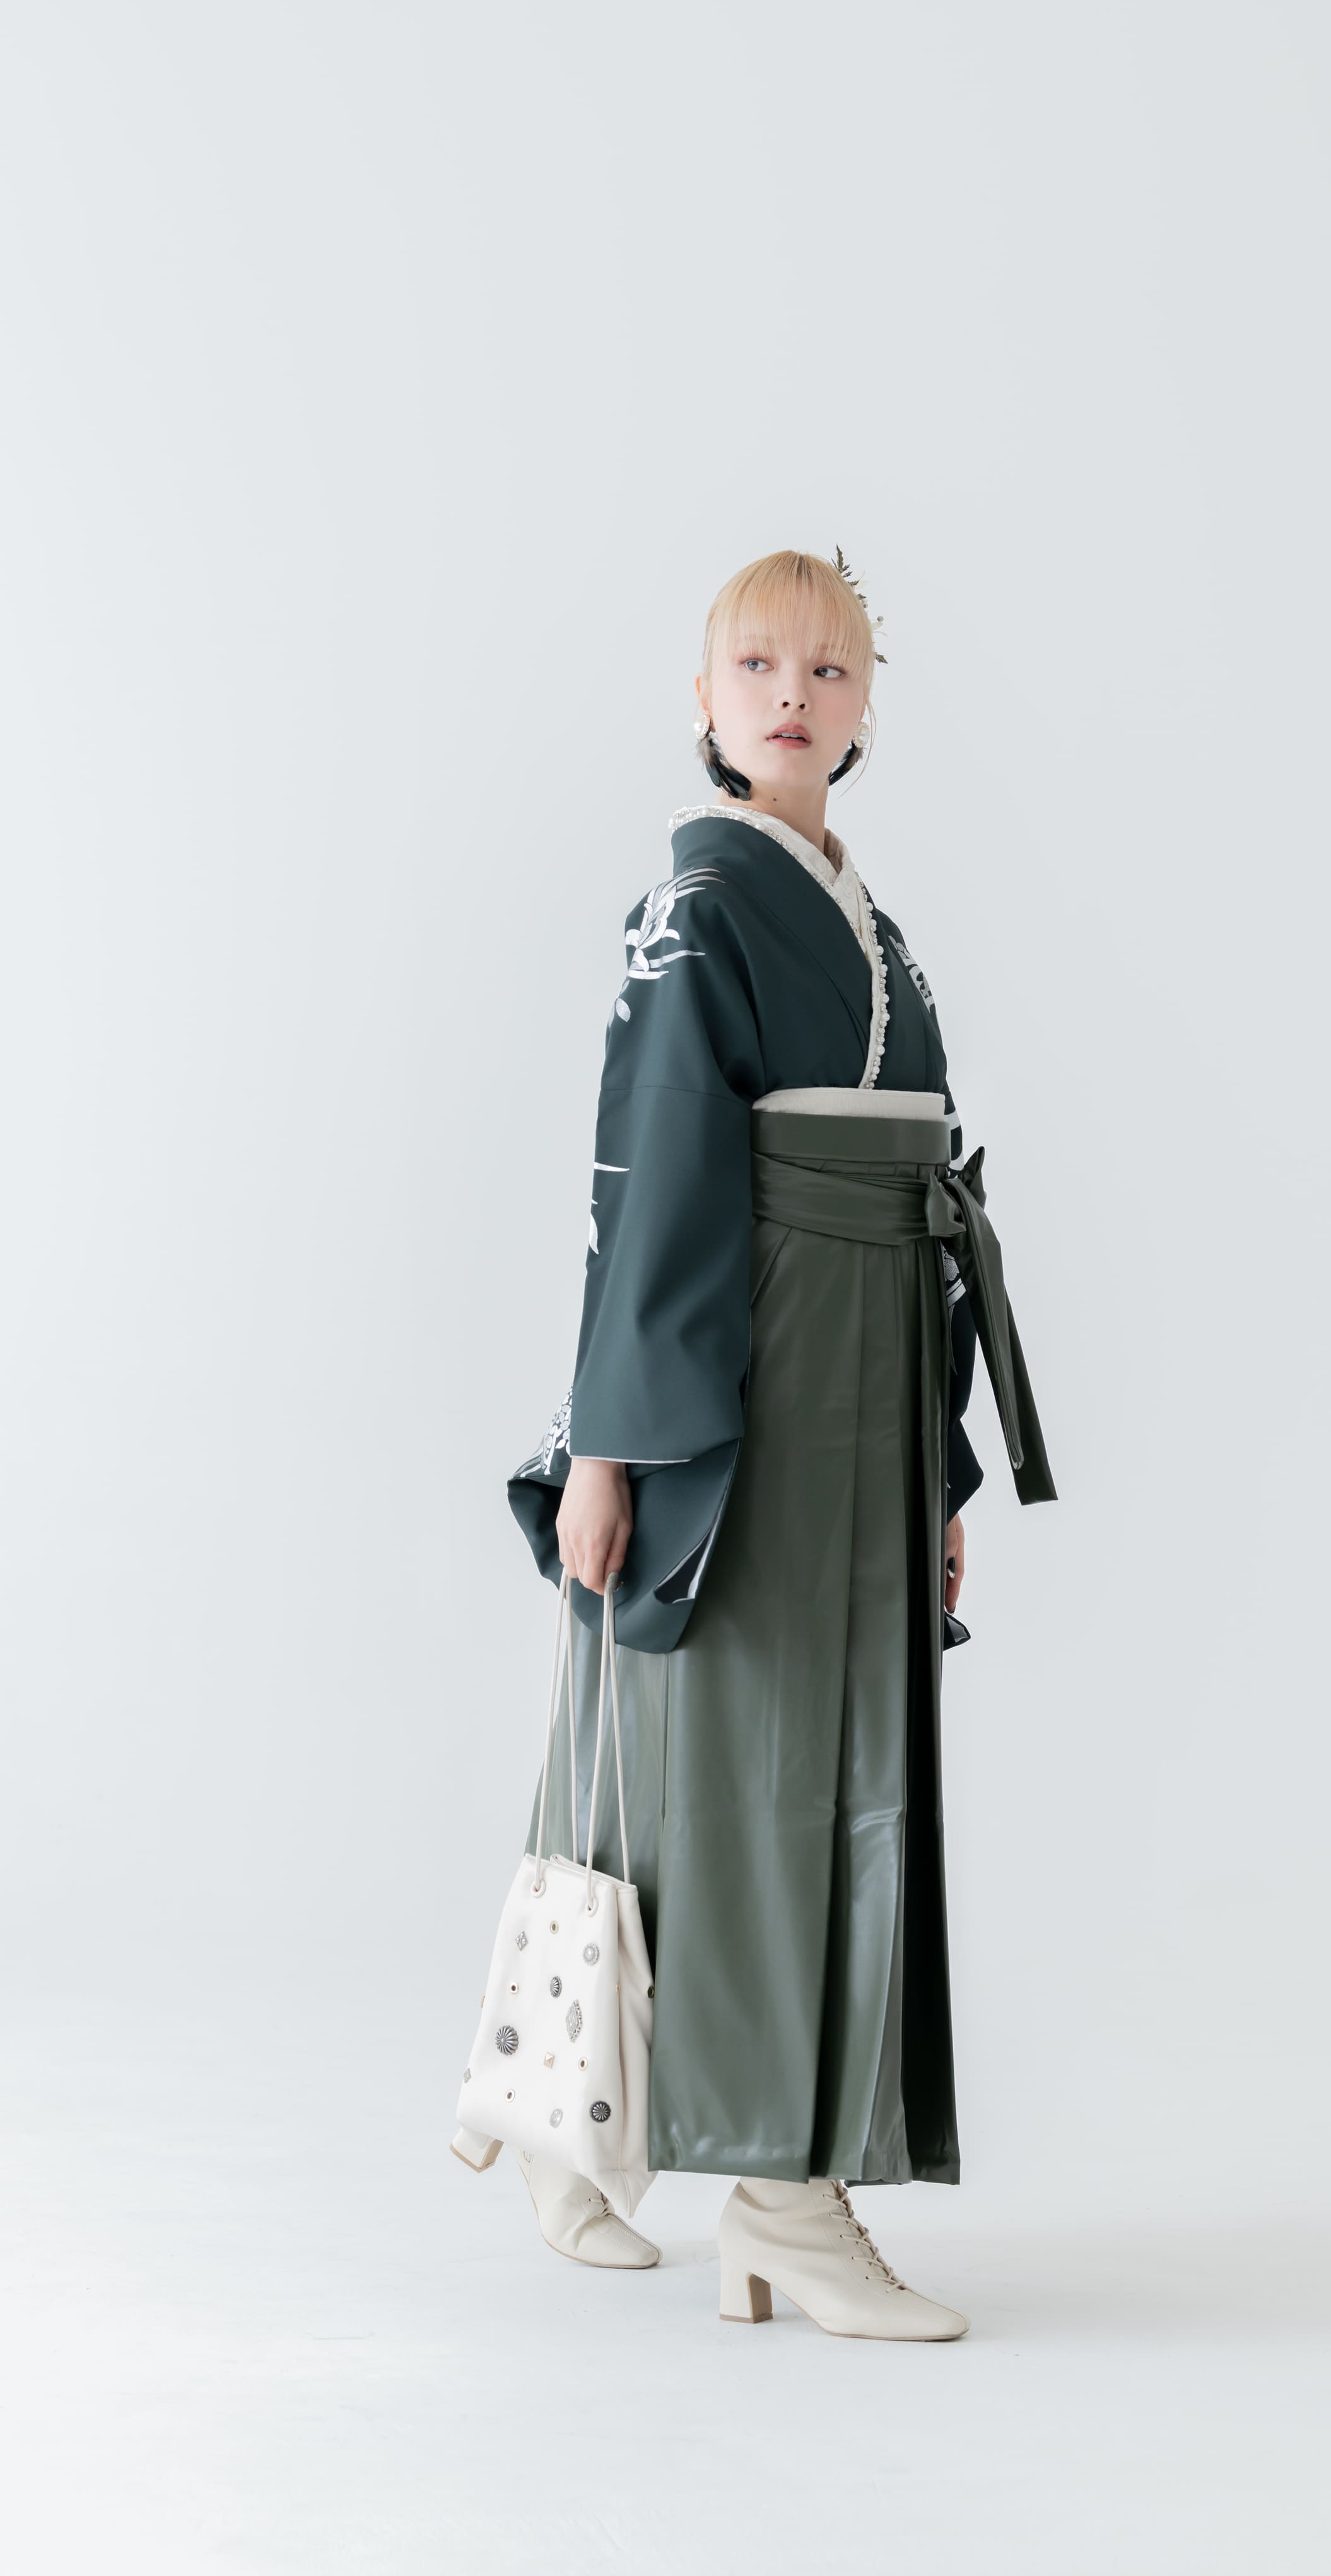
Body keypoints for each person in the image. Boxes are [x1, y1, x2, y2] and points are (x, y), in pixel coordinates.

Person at [494, 549, 1054, 2340]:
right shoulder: (703, 904)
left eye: (827, 666)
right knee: (734, 1755)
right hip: (747, 1368)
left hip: (862, 1369)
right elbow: (655, 1177)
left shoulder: (861, 919)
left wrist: (937, 1463)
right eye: (756, 663)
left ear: (869, 701)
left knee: (780, 1751)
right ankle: (753, 2188)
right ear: (703, 697)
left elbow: (918, 1188)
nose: (791, 694)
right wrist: (611, 1444)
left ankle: (622, 2149)